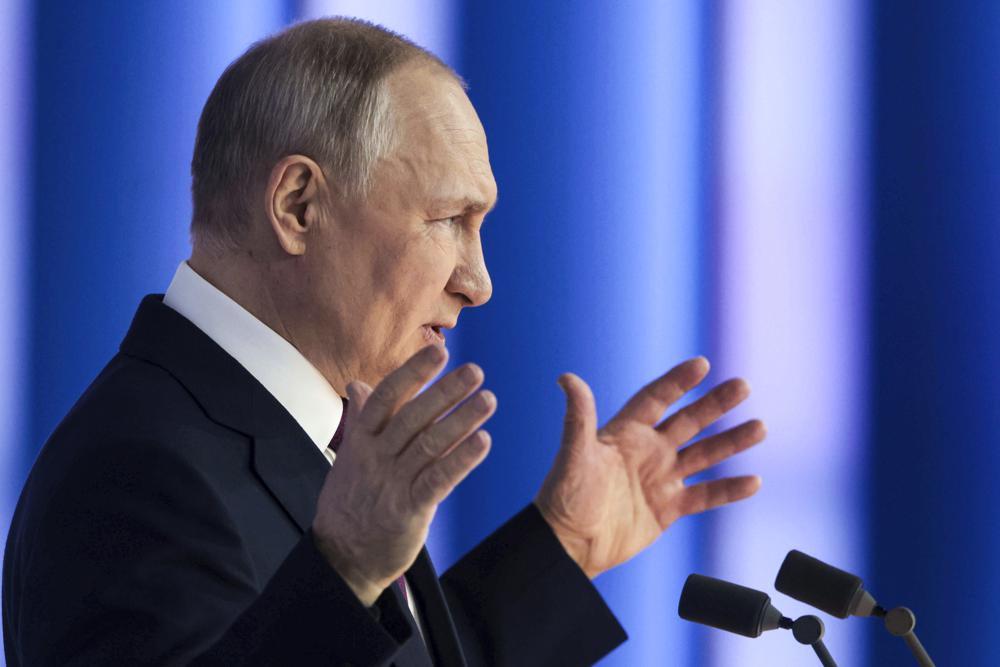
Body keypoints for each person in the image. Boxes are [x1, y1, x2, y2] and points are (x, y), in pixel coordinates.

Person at [2, 18, 766, 666]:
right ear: (298, 206)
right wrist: (344, 568)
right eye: (448, 221)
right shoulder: (135, 468)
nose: (479, 281)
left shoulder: (327, 435)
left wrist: (562, 545)